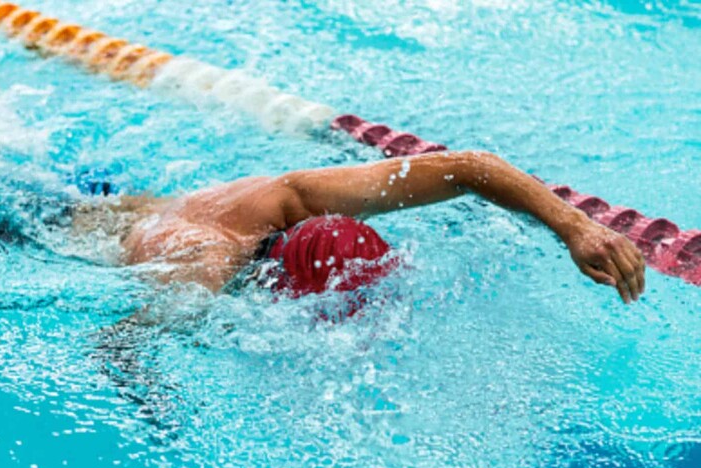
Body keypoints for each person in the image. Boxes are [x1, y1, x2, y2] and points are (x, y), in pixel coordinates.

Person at [73, 150, 646, 304]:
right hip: (86, 227)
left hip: (156, 200)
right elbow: (124, 344)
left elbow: (469, 168)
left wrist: (576, 227)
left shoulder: (296, 196)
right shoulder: (205, 262)